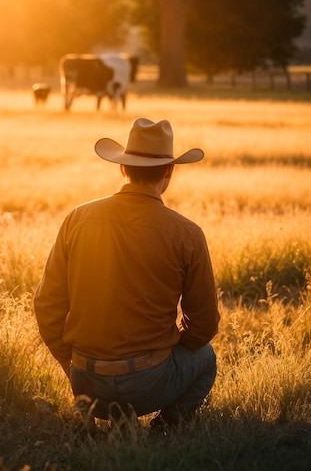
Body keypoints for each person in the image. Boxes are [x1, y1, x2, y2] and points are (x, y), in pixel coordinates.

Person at [33, 117, 220, 428]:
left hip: (85, 384)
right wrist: (170, 344)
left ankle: (94, 422)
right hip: (147, 387)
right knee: (206, 359)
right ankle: (165, 428)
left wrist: (70, 363)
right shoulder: (188, 233)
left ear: (122, 168)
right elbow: (204, 326)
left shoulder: (78, 218)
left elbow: (46, 304)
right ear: (169, 172)